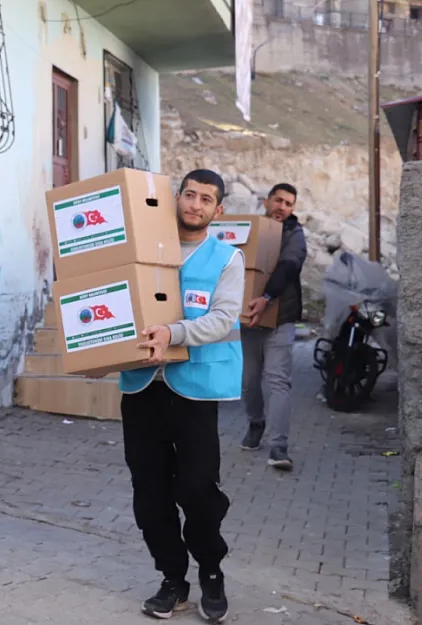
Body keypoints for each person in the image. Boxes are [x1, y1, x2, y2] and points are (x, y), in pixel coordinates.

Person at [117, 169, 245, 622]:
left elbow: (223, 318)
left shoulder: (226, 259)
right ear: (176, 198)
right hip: (142, 387)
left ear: (218, 210)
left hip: (194, 391)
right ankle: (173, 578)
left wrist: (172, 332)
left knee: (195, 488)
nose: (194, 204)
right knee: (149, 495)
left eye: (205, 199)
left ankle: (211, 568)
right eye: (189, 194)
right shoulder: (142, 250)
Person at [240, 183, 307, 472]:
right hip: (249, 319)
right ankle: (256, 423)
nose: (282, 207)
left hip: (281, 317)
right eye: (278, 201)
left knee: (278, 381)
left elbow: (289, 266)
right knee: (249, 381)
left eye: (289, 204)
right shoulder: (250, 229)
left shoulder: (294, 234)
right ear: (266, 201)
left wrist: (266, 297)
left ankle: (279, 446)